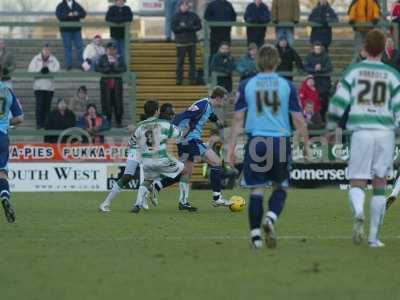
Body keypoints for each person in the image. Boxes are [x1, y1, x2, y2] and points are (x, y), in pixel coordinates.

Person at [226, 44, 309, 249]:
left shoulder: (247, 84)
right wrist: (306, 145)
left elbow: (237, 118)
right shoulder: (287, 85)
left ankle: (255, 237)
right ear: (277, 61)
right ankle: (270, 218)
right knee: (281, 187)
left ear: (258, 61)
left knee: (257, 189)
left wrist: (230, 150)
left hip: (256, 141)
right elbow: (298, 119)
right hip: (280, 140)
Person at [327, 29, 400, 248]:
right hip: (385, 133)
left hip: (361, 132)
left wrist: (330, 127)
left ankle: (359, 211)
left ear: (365, 48)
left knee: (357, 181)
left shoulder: (354, 71)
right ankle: (373, 238)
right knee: (380, 184)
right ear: (384, 50)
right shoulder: (392, 75)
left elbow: (338, 102)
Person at [171, 86, 233, 211]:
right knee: (216, 162)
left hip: (185, 140)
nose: (225, 102)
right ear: (218, 97)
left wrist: (219, 122)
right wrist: (171, 127)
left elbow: (210, 116)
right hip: (191, 139)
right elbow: (184, 115)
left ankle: (164, 189)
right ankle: (217, 198)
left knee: (186, 172)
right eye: (224, 99)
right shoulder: (203, 105)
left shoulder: (207, 106)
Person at [131, 101, 186, 213]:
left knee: (146, 181)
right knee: (185, 171)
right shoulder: (165, 124)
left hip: (146, 160)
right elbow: (180, 134)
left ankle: (137, 205)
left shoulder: (141, 126)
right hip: (161, 158)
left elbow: (132, 142)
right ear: (156, 111)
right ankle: (159, 186)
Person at [0, 67, 24, 223]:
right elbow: (20, 118)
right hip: (2, 136)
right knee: (2, 172)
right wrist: (4, 122)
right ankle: (4, 197)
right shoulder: (8, 92)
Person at [28, 44, 60, 129]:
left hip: (49, 87)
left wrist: (49, 71)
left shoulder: (54, 60)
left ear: (50, 51)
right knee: (39, 106)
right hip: (38, 87)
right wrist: (40, 71)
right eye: (45, 50)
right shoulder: (36, 58)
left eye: (48, 50)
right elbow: (30, 71)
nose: (46, 51)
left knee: (47, 107)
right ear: (42, 50)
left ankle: (46, 124)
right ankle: (39, 124)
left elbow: (57, 71)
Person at [95, 42, 127, 127]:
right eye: (110, 49)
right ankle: (107, 122)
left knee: (118, 103)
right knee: (106, 103)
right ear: (106, 50)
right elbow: (97, 68)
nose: (112, 51)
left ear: (116, 50)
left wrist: (115, 67)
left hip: (117, 85)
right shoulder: (102, 58)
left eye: (113, 49)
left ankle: (119, 122)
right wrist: (107, 68)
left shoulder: (120, 58)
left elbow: (124, 68)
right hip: (106, 85)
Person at [172, 0, 202, 85]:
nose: (185, 7)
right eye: (183, 5)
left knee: (192, 62)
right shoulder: (176, 16)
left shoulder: (193, 15)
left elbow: (199, 26)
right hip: (180, 43)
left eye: (186, 5)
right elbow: (174, 28)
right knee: (180, 62)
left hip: (192, 42)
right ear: (180, 6)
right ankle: (179, 79)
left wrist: (190, 27)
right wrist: (182, 28)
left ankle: (192, 79)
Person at [304, 41, 332, 120]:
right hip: (313, 81)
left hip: (324, 82)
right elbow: (306, 67)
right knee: (311, 100)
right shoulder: (309, 56)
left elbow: (329, 67)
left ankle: (322, 117)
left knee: (324, 100)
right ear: (313, 48)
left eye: (319, 48)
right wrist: (314, 69)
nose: (317, 50)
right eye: (316, 48)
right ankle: (312, 117)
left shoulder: (326, 56)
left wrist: (320, 69)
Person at [55, 0, 86, 70]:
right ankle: (68, 65)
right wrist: (68, 15)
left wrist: (77, 14)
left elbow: (84, 14)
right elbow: (59, 16)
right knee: (67, 47)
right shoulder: (60, 5)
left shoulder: (76, 4)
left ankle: (81, 64)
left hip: (76, 30)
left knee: (80, 47)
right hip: (65, 31)